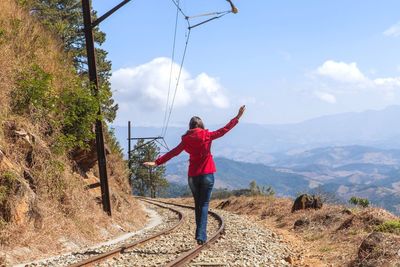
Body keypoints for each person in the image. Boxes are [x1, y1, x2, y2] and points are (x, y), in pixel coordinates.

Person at [144, 105, 246, 245]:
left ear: (190, 126)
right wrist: (237, 117)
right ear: (201, 125)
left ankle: (200, 234)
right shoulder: (207, 135)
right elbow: (224, 130)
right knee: (203, 204)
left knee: (198, 204)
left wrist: (156, 162)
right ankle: (201, 236)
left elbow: (173, 152)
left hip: (193, 176)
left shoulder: (186, 140)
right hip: (207, 174)